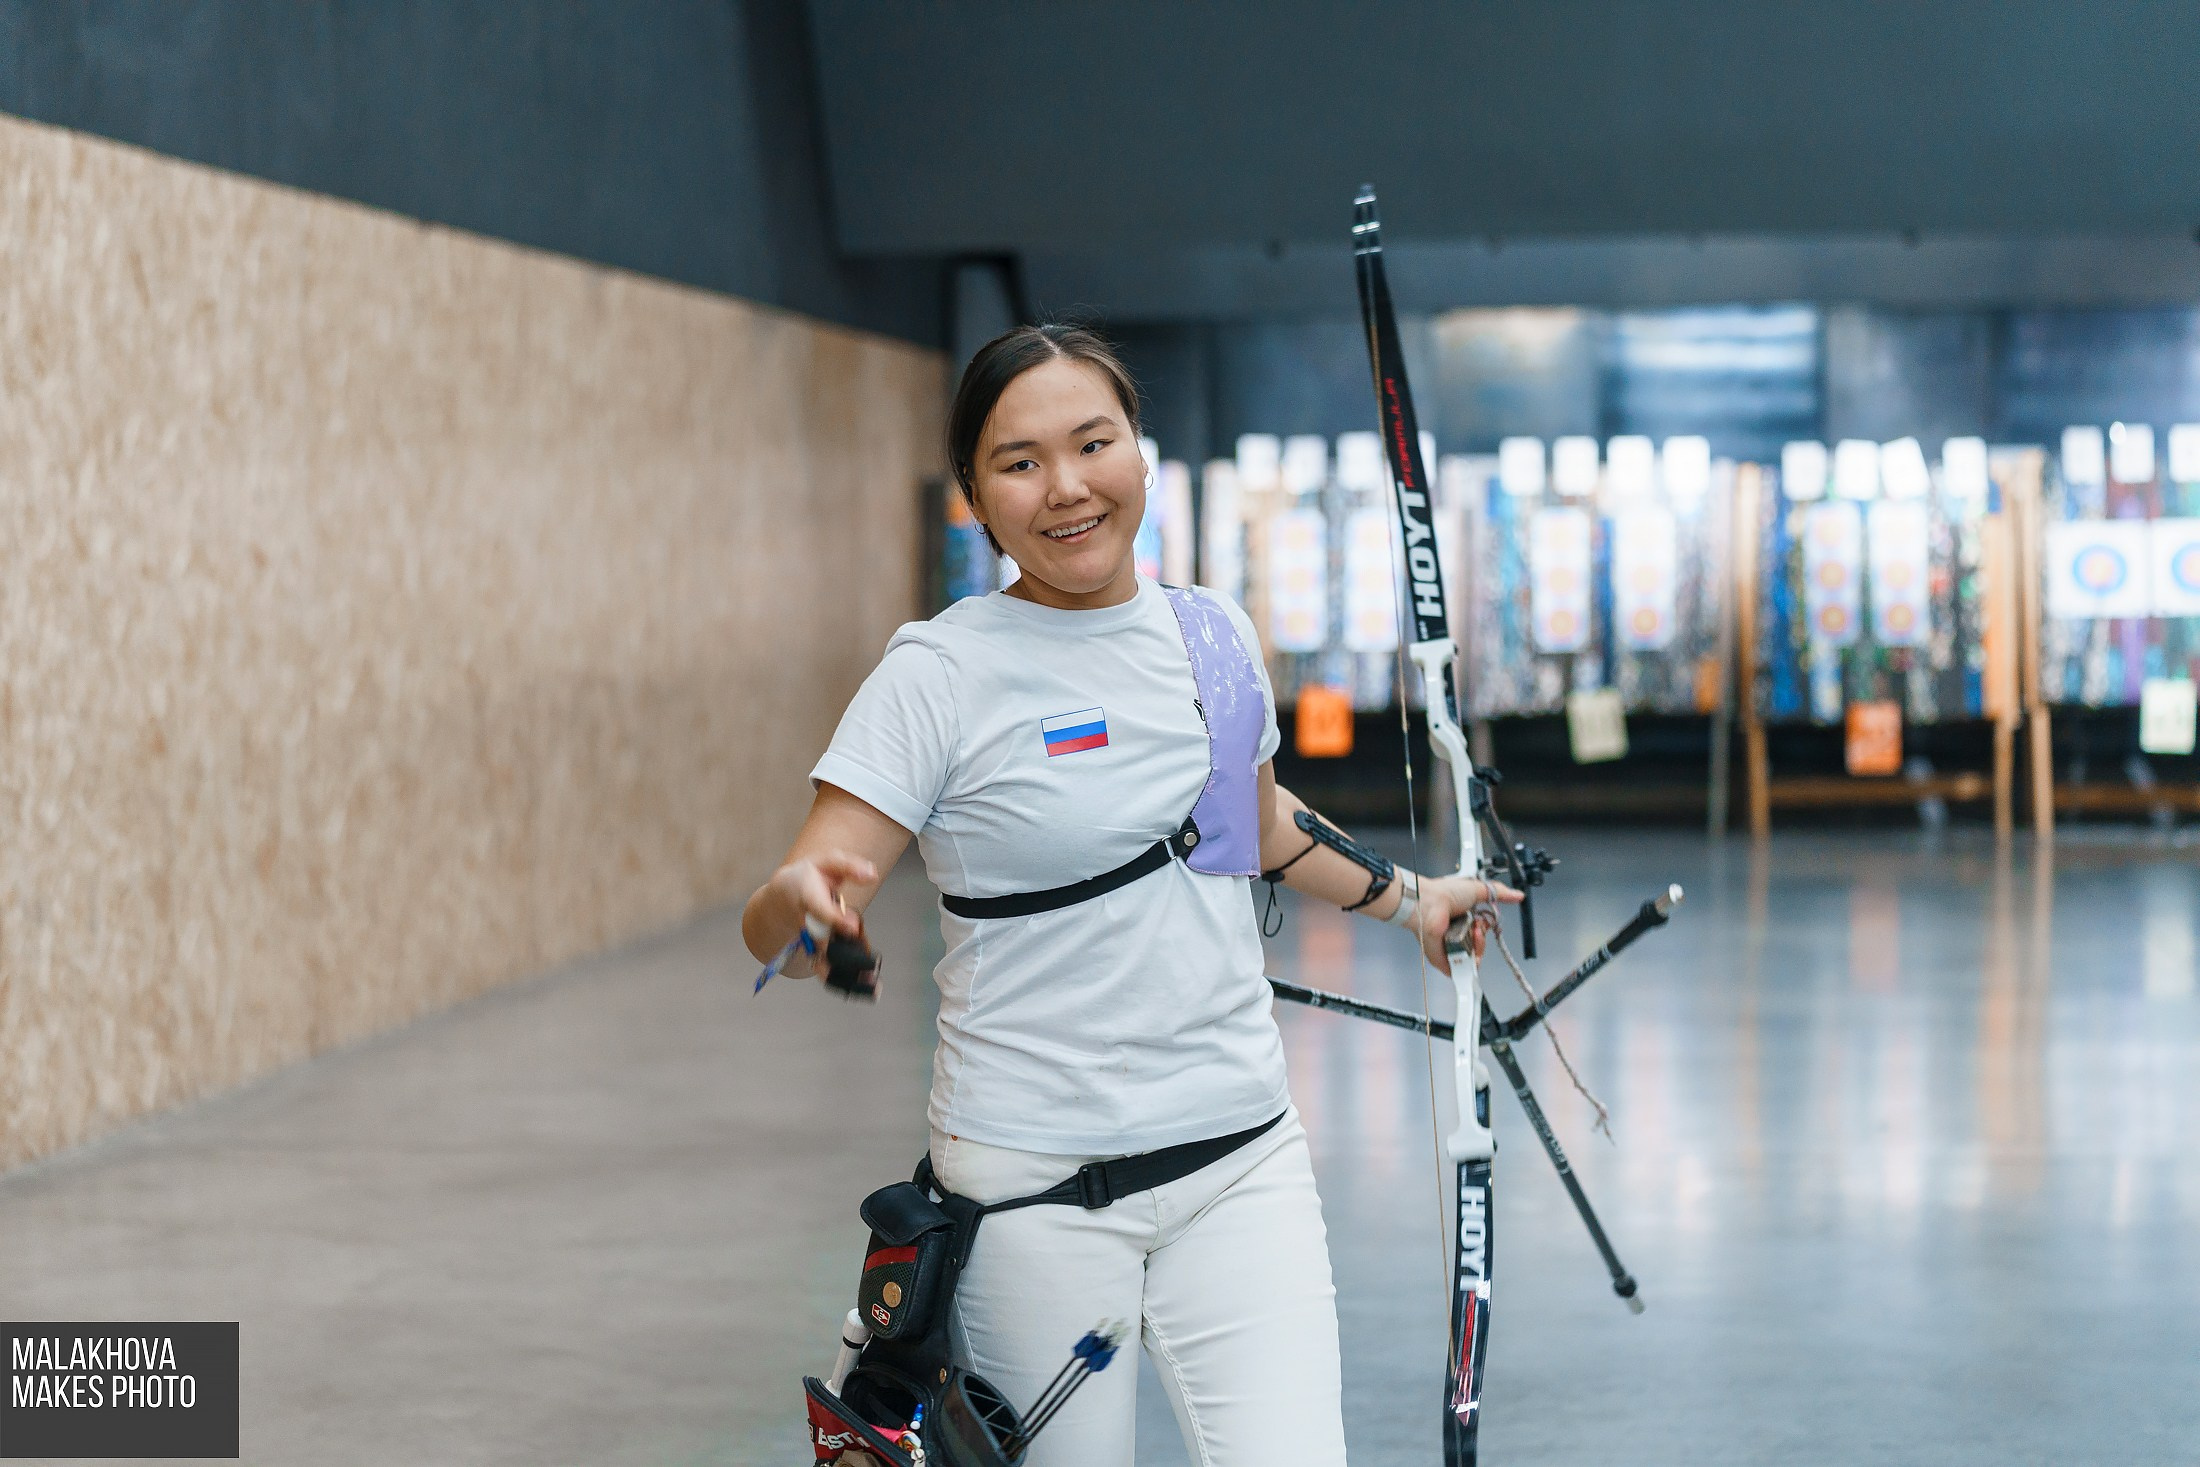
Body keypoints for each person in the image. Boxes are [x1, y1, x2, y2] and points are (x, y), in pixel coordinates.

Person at [743, 323, 1520, 1467]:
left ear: (1139, 453)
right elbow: (785, 910)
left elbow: (1256, 827)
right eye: (1019, 462)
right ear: (975, 496)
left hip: (1240, 1162)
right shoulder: (936, 674)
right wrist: (801, 908)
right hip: (1030, 1200)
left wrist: (1415, 901)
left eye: (1093, 443)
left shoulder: (1213, 634)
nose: (1066, 487)